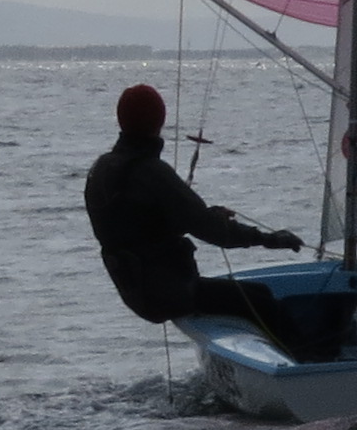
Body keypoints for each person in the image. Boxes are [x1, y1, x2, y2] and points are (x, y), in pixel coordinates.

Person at [82, 85, 308, 346]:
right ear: (159, 121)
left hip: (137, 291)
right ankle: (309, 359)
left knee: (258, 292)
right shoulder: (152, 171)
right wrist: (270, 239)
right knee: (263, 301)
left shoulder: (102, 168)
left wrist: (205, 216)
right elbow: (214, 231)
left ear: (121, 120)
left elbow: (137, 228)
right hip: (169, 292)